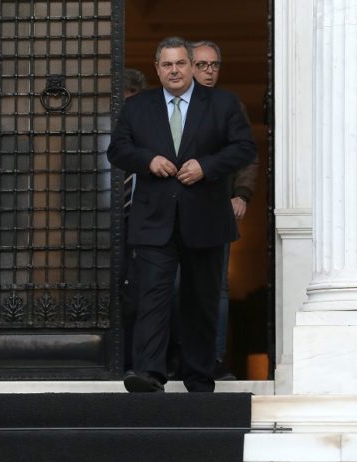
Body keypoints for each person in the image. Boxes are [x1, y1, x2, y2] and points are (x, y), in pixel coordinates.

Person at [107, 37, 256, 392]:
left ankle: (199, 377)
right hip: (153, 220)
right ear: (157, 69)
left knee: (201, 300)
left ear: (191, 65)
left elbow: (244, 148)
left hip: (205, 219)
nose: (174, 70)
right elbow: (118, 150)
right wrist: (147, 160)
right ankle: (149, 373)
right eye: (166, 64)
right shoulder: (138, 107)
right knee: (152, 297)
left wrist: (207, 166)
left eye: (180, 63)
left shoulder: (223, 103)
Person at [191, 40, 260, 380]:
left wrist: (242, 194)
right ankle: (175, 358)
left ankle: (212, 360)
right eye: (202, 65)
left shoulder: (230, 106)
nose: (209, 72)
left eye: (214, 65)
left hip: (216, 208)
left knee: (215, 287)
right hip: (173, 211)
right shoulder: (166, 106)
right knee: (171, 286)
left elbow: (247, 154)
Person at [120, 68, 147, 373]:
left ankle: (134, 362)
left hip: (141, 224)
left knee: (139, 294)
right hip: (101, 229)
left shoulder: (150, 136)